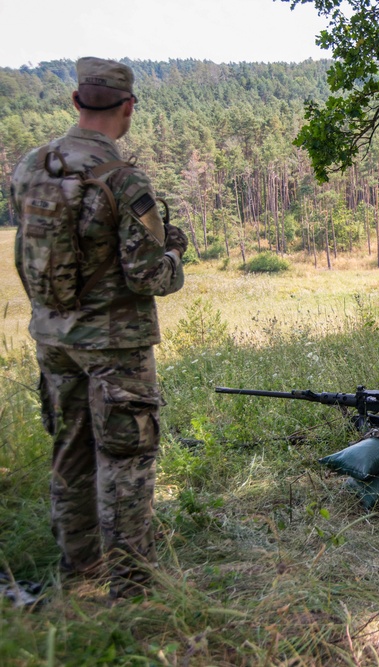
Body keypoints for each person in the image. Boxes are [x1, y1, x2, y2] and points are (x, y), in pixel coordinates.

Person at [10, 57, 188, 599]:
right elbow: (148, 274)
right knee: (126, 458)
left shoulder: (31, 165)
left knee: (69, 445)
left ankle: (79, 567)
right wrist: (176, 253)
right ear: (128, 107)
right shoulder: (123, 179)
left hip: (53, 336)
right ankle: (133, 587)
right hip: (116, 346)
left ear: (76, 102)